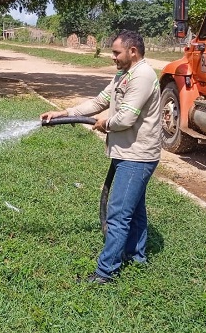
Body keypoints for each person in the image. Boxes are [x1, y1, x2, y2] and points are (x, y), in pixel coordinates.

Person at [40, 30, 161, 284]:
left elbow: (126, 117)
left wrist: (104, 124)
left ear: (133, 51)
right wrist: (66, 113)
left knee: (117, 214)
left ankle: (106, 273)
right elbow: (99, 102)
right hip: (127, 152)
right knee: (135, 210)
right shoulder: (123, 75)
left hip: (137, 157)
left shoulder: (143, 75)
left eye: (116, 52)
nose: (113, 57)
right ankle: (136, 258)